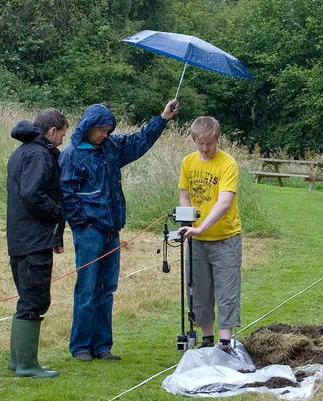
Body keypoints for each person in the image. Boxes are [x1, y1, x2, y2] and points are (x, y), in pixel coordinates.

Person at [60, 100, 179, 362]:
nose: (105, 134)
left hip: (112, 229)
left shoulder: (112, 147)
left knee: (107, 288)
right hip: (89, 232)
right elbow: (67, 195)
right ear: (88, 127)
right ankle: (80, 346)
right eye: (101, 130)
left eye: (108, 129)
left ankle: (103, 346)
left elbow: (140, 141)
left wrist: (162, 119)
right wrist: (83, 222)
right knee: (87, 287)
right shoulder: (71, 154)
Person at [5, 109, 69, 378]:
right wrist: (57, 212)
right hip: (33, 239)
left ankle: (17, 360)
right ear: (52, 131)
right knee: (34, 299)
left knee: (27, 297)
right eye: (62, 135)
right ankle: (27, 365)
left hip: (22, 237)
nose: (62, 142)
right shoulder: (39, 154)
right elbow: (33, 194)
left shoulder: (22, 152)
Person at [177, 116, 242, 351]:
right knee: (198, 289)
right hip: (196, 239)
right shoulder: (188, 162)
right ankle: (206, 339)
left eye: (210, 144)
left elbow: (225, 201)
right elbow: (185, 194)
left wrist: (202, 227)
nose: (205, 148)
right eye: (200, 144)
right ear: (194, 141)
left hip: (225, 238)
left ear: (218, 139)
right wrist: (187, 223)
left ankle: (225, 341)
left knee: (226, 289)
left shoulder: (228, 164)